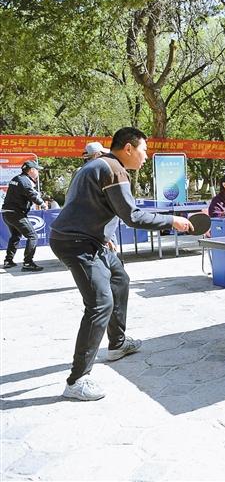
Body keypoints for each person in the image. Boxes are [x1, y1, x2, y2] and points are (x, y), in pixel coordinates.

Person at [50, 127, 193, 401]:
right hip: (77, 243)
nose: (146, 156)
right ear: (128, 148)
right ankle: (76, 381)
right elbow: (132, 216)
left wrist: (105, 235)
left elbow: (91, 205)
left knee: (119, 278)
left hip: (92, 240)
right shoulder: (114, 169)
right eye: (144, 150)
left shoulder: (99, 164)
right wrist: (172, 220)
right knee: (100, 303)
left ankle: (117, 344)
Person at [2, 160, 48, 271]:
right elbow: (31, 195)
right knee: (33, 236)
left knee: (15, 236)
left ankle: (8, 261)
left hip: (7, 213)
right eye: (37, 170)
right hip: (16, 214)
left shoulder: (16, 178)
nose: (38, 172)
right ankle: (28, 263)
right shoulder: (25, 181)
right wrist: (42, 204)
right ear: (31, 170)